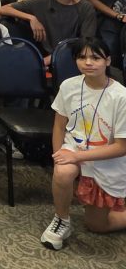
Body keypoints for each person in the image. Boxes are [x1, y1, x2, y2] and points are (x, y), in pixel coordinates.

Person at [40, 37, 126, 251]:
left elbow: (121, 147)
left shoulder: (120, 96)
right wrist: (58, 155)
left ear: (107, 61)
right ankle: (62, 219)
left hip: (106, 157)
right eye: (82, 57)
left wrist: (77, 156)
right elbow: (59, 125)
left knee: (96, 225)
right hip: (75, 146)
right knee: (63, 172)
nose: (88, 62)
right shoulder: (69, 85)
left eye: (95, 57)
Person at [0, 0, 97, 67]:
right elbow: (2, 9)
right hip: (41, 54)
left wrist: (47, 60)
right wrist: (32, 18)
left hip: (72, 57)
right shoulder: (41, 1)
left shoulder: (86, 7)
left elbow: (86, 42)